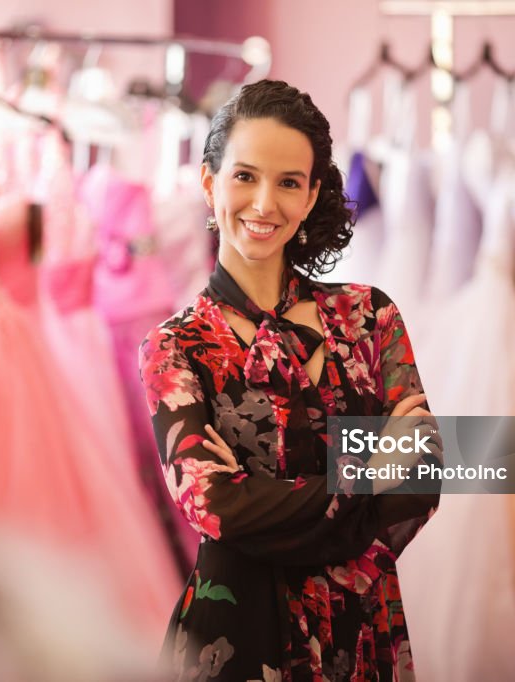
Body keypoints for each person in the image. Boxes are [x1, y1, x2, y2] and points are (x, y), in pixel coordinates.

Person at [138, 79, 439, 681]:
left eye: (288, 182)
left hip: (360, 625)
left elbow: (421, 480)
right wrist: (367, 474)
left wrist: (264, 496)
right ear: (209, 183)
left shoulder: (370, 316)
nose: (264, 203)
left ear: (311, 196)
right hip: (238, 632)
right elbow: (215, 507)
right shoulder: (172, 347)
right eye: (245, 176)